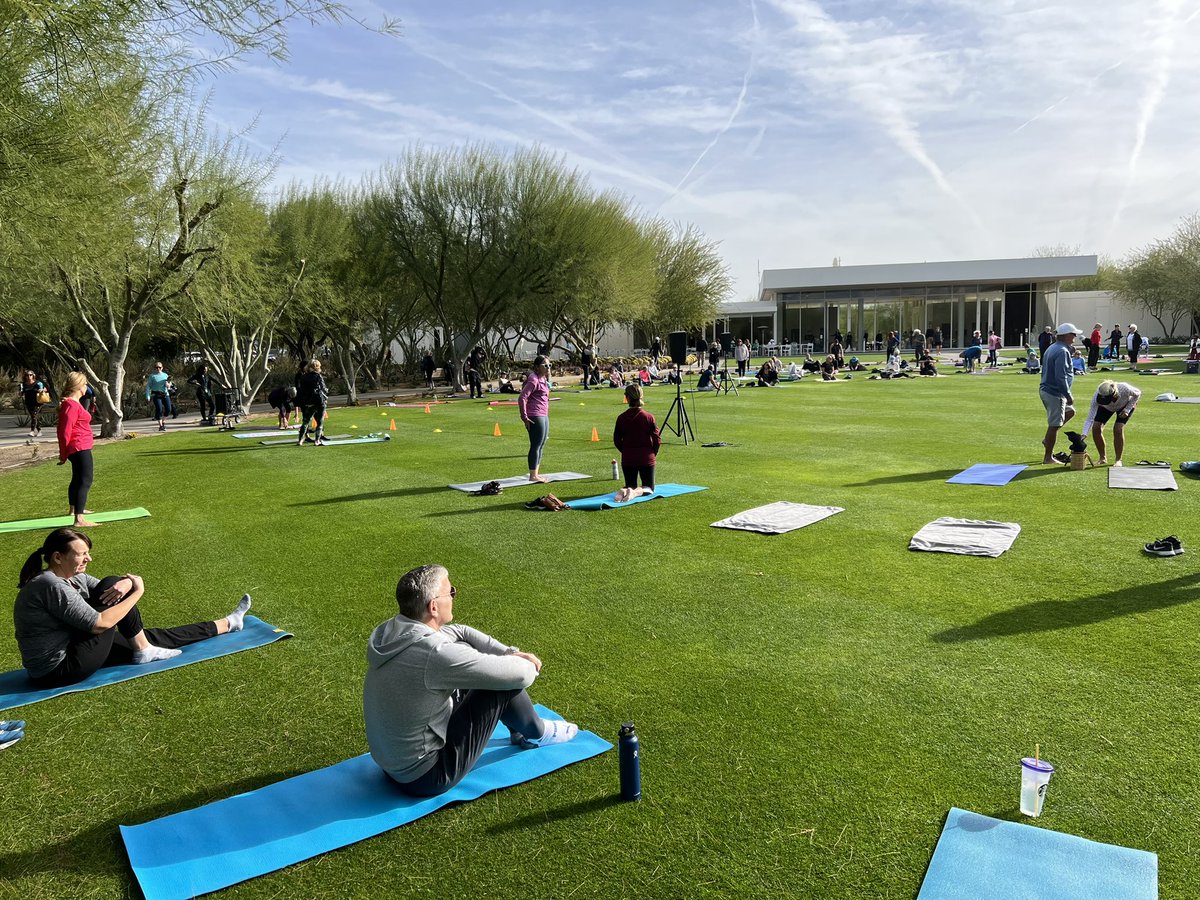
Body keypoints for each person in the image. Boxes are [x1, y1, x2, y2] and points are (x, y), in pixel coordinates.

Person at [363, 565, 578, 797]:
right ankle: (539, 732)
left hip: (391, 766)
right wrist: (528, 662)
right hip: (423, 777)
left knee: (467, 652)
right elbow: (520, 676)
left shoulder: (393, 631)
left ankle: (519, 730)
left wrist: (508, 652)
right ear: (433, 607)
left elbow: (461, 632)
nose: (453, 597)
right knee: (500, 685)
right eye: (450, 593)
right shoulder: (434, 653)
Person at [14, 528, 253, 688]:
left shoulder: (73, 577)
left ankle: (229, 623)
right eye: (82, 554)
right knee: (114, 591)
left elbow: (113, 590)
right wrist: (137, 591)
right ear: (57, 557)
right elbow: (99, 624)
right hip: (58, 669)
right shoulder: (48, 584)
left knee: (153, 637)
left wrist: (128, 582)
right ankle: (143, 648)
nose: (88, 559)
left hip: (74, 648)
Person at [57, 372, 99, 528]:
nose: (87, 387)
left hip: (79, 447)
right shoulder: (71, 405)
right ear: (80, 387)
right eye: (85, 384)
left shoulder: (72, 404)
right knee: (85, 480)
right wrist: (63, 454)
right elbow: (64, 431)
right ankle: (79, 519)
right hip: (79, 447)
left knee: (77, 478)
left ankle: (74, 509)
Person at [612, 383, 660, 502]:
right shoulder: (648, 417)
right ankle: (633, 493)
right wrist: (652, 453)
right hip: (646, 457)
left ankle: (625, 491)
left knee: (630, 485)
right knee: (649, 488)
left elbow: (617, 440)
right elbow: (657, 439)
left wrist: (626, 451)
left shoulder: (621, 418)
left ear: (627, 398)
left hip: (628, 458)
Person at [1040, 323, 1081, 464]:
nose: (1075, 336)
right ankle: (1048, 457)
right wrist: (1068, 395)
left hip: (1048, 390)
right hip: (1055, 393)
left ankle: (1047, 440)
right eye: (1073, 334)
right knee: (1054, 425)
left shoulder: (1054, 347)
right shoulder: (1062, 351)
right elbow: (1060, 376)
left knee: (1069, 412)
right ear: (1067, 335)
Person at [1082, 380, 1141, 467]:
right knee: (1096, 428)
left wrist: (1127, 409)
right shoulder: (1097, 397)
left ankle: (1118, 460)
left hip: (1124, 405)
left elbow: (1138, 393)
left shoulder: (1124, 388)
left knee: (1118, 429)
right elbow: (1090, 418)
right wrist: (1084, 434)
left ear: (1114, 394)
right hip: (1106, 408)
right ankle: (1102, 458)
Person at [518, 355, 551, 483]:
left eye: (549, 365)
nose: (548, 368)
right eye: (545, 365)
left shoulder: (543, 379)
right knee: (536, 445)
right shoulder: (533, 379)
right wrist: (524, 417)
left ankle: (536, 473)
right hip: (535, 415)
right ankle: (532, 475)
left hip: (543, 414)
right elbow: (522, 398)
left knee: (541, 444)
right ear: (537, 367)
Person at [295, 359, 329, 446]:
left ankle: (300, 440)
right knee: (320, 421)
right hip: (318, 400)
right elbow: (323, 388)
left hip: (308, 401)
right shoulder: (318, 376)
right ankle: (317, 440)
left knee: (306, 421)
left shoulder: (303, 377)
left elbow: (301, 389)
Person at [145, 361, 171, 432]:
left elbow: (169, 383)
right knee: (159, 409)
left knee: (168, 409)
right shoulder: (152, 376)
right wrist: (148, 396)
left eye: (159, 367)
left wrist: (169, 385)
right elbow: (148, 386)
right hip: (156, 394)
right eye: (156, 367)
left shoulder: (165, 375)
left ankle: (163, 422)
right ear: (155, 368)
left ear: (162, 368)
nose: (158, 369)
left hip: (165, 394)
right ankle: (160, 426)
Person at [20, 370, 46, 438]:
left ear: (33, 375)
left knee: (34, 416)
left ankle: (32, 431)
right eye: (27, 375)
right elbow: (21, 393)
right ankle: (39, 430)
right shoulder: (23, 384)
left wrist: (42, 390)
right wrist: (20, 393)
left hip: (37, 403)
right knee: (33, 417)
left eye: (30, 375)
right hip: (28, 403)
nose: (29, 376)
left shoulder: (38, 383)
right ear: (25, 376)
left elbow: (44, 389)